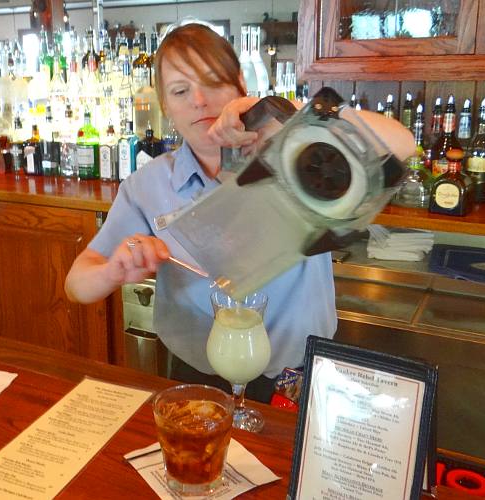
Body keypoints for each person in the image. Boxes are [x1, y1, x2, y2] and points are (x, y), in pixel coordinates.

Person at [64, 22, 337, 402]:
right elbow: (77, 283)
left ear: (240, 85)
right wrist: (114, 269)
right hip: (198, 377)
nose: (199, 101)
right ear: (165, 106)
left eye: (212, 82)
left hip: (296, 380)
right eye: (180, 90)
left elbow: (398, 146)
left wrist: (284, 119)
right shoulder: (149, 186)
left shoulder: (298, 157)